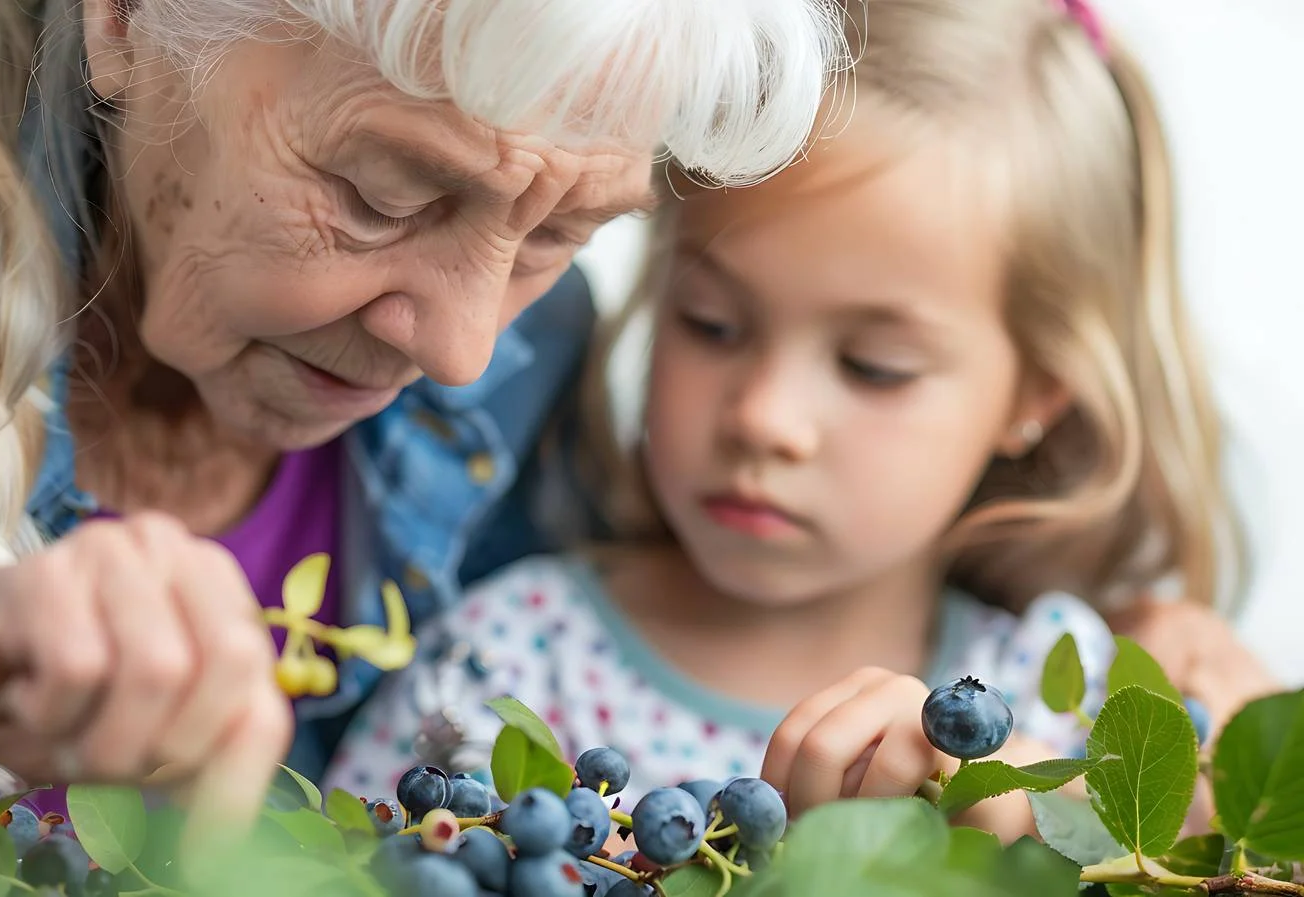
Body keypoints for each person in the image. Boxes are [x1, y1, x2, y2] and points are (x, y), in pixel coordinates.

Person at [0, 0, 846, 825]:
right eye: (380, 196)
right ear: (123, 19)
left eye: (556, 237)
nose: (461, 351)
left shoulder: (529, 360)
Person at [322, 0, 1281, 842]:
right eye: (711, 323)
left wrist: (1032, 840)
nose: (765, 418)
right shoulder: (508, 663)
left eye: (874, 367)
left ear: (1037, 395)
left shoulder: (1072, 712)